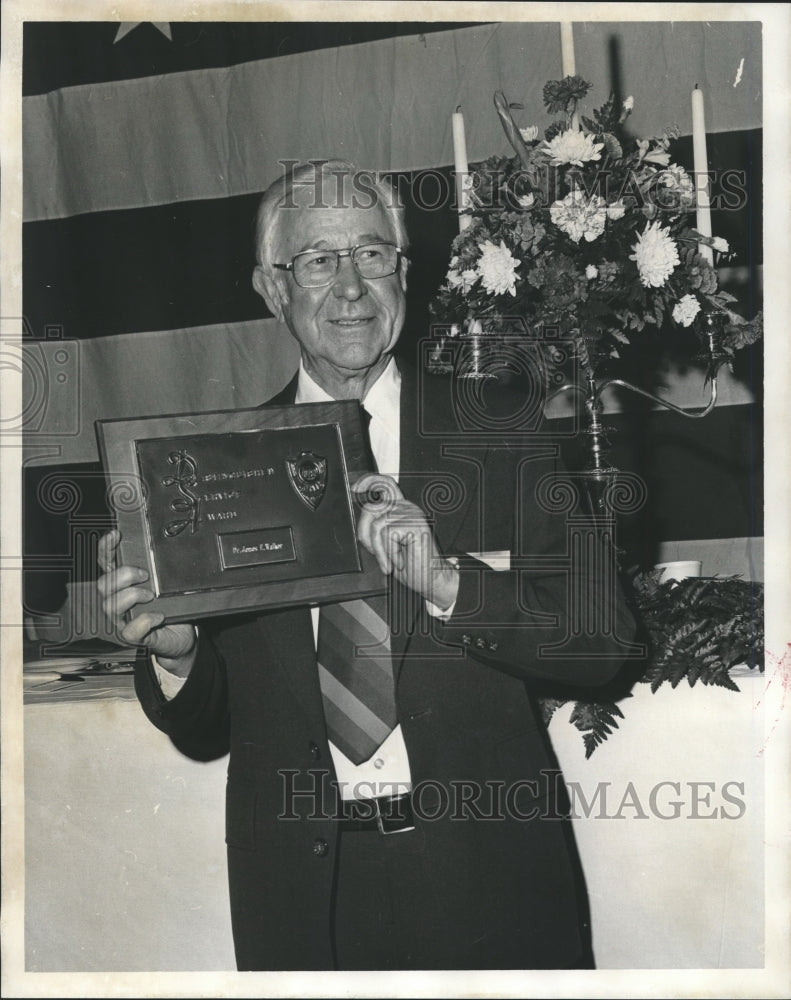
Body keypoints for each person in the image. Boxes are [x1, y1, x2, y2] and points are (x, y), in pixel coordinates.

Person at [98, 159, 637, 971]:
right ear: (271, 288)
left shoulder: (501, 435)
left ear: (405, 273)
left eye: (372, 254)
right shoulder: (211, 469)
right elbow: (207, 726)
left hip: (487, 891)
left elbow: (602, 644)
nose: (351, 287)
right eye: (318, 260)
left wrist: (449, 584)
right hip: (307, 906)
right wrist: (176, 655)